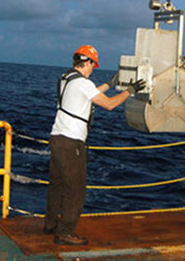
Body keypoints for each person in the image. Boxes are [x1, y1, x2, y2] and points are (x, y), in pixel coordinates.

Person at [44, 44, 145, 245]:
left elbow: (88, 94)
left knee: (57, 184)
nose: (93, 69)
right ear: (87, 62)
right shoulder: (83, 83)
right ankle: (65, 232)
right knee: (75, 188)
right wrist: (129, 91)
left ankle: (50, 225)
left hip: (57, 138)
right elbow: (108, 104)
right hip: (71, 141)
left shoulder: (66, 79)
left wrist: (109, 83)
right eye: (93, 65)